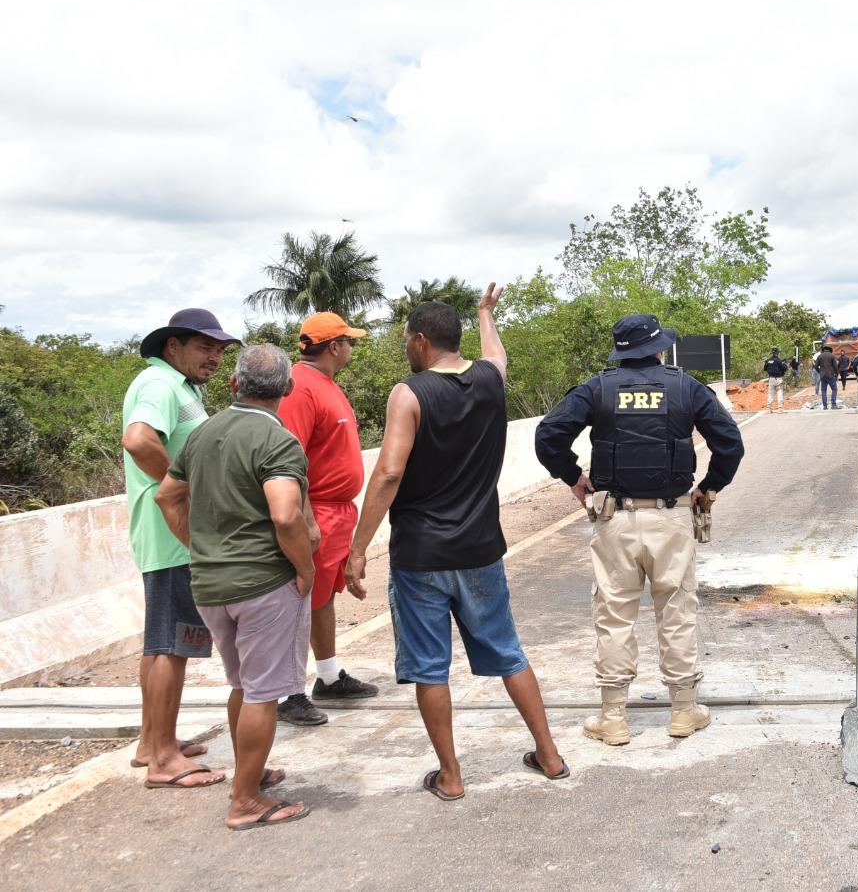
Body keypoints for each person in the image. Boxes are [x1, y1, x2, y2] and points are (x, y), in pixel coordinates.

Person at [345, 289, 568, 801]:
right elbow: (498, 357)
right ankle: (550, 755)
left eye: (406, 338)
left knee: (430, 668)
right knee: (509, 653)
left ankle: (451, 775)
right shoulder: (489, 380)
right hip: (480, 549)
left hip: (422, 556)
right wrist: (487, 314)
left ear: (420, 340)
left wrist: (358, 548)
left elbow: (389, 472)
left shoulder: (410, 393)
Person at [534, 314, 745, 745]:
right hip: (672, 519)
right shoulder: (686, 387)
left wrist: (574, 478)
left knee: (614, 617)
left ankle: (613, 719)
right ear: (659, 348)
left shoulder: (597, 388)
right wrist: (709, 487)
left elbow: (548, 435)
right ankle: (684, 713)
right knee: (677, 612)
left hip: (614, 521)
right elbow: (730, 442)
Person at [155, 345, 315, 829]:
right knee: (264, 693)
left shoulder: (202, 434)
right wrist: (304, 569)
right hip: (263, 583)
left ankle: (252, 772)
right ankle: (245, 800)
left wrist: (197, 545)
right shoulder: (277, 440)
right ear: (286, 389)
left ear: (233, 385)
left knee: (243, 685)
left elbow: (167, 495)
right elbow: (285, 514)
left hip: (210, 584)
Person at [121, 308, 240, 789]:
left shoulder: (180, 387)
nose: (214, 357)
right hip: (173, 533)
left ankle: (152, 742)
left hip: (166, 532)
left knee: (160, 643)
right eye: (203, 347)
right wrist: (182, 489)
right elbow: (138, 439)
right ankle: (165, 761)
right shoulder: (159, 385)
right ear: (173, 347)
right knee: (173, 644)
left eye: (218, 350)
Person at [274, 312, 381, 726]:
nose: (352, 347)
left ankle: (329, 675)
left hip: (337, 511)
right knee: (300, 599)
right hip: (314, 509)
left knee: (322, 597)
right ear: (334, 346)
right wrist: (305, 516)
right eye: (349, 341)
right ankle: (287, 692)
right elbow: (288, 457)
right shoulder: (300, 388)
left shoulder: (326, 385)